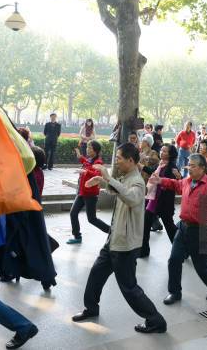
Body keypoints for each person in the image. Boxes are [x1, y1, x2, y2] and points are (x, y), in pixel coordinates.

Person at [72, 143, 167, 334]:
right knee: (96, 274)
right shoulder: (126, 178)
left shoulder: (138, 182)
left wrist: (108, 178)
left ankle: (156, 320)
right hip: (114, 240)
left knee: (129, 287)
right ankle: (91, 308)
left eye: (120, 158)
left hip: (125, 245)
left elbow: (131, 198)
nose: (117, 161)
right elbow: (119, 190)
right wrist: (102, 180)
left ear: (131, 161)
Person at [149, 153, 207, 305]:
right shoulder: (187, 181)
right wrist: (160, 180)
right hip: (183, 227)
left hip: (201, 230)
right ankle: (174, 292)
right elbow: (175, 184)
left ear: (202, 168)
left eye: (192, 166)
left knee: (200, 265)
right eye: (188, 165)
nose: (189, 169)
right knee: (174, 260)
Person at [142, 144, 182, 256]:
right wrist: (141, 166)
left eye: (165, 151)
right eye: (161, 150)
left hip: (164, 202)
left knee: (170, 228)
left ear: (170, 155)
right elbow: (152, 172)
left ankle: (182, 249)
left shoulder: (172, 167)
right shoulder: (160, 165)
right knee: (145, 225)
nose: (161, 152)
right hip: (154, 199)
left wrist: (178, 177)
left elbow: (175, 183)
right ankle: (144, 250)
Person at [67, 141, 110, 244]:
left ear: (95, 151)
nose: (87, 149)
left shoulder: (98, 162)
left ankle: (111, 232)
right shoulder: (90, 160)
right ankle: (77, 236)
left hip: (90, 194)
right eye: (87, 147)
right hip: (82, 192)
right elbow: (86, 162)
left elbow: (96, 174)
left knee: (92, 219)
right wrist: (79, 156)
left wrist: (85, 171)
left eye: (90, 148)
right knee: (73, 213)